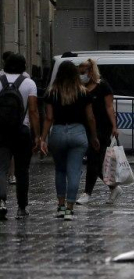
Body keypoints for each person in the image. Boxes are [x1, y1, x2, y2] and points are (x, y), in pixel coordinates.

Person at [39, 61, 99, 220]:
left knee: (60, 170)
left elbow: (49, 118)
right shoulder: (83, 92)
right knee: (74, 171)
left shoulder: (52, 92)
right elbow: (90, 117)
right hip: (78, 132)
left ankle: (60, 206)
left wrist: (42, 138)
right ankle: (70, 210)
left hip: (58, 132)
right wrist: (93, 136)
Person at [76, 59, 121, 205]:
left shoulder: (103, 86)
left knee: (93, 160)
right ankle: (113, 187)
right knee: (97, 162)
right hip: (85, 127)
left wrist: (114, 126)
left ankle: (87, 192)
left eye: (83, 72)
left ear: (90, 71)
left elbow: (109, 107)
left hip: (102, 127)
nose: (81, 75)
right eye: (79, 73)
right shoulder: (79, 88)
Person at [0, 53, 39, 219]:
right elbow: (33, 111)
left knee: (1, 168)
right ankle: (22, 207)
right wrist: (37, 135)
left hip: (1, 131)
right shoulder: (29, 83)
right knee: (22, 170)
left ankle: (1, 201)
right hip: (22, 131)